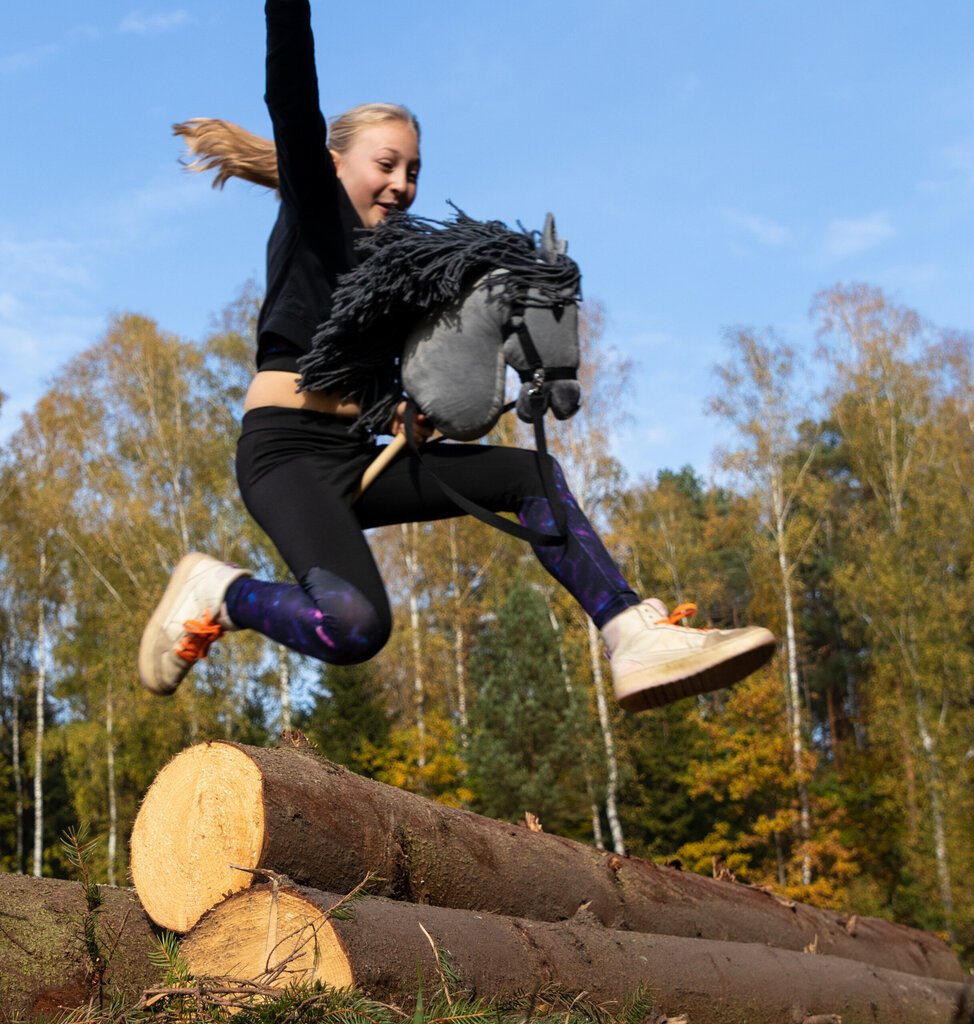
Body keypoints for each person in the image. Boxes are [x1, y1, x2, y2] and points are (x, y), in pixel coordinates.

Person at [138, 0, 776, 714]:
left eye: (412, 170)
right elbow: (291, 96)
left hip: (359, 452)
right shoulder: (316, 216)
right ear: (332, 161)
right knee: (352, 627)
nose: (402, 184)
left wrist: (409, 408)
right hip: (287, 454)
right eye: (386, 163)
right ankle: (222, 592)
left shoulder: (405, 268)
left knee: (529, 473)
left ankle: (631, 635)